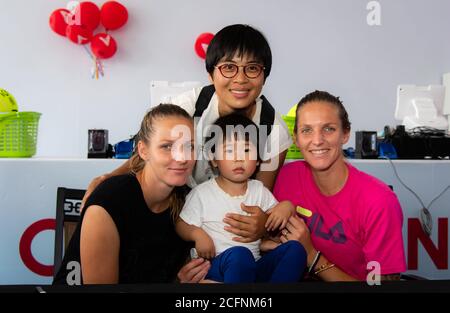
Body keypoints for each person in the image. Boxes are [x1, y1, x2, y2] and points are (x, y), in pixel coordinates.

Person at [81, 24, 292, 279]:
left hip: (227, 229)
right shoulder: (190, 104)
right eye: (228, 67)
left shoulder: (273, 130)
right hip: (180, 207)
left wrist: (261, 224)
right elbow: (152, 148)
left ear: (264, 75)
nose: (240, 79)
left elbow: (258, 196)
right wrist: (109, 179)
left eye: (252, 68)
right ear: (211, 73)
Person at [53, 104, 211, 284]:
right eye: (167, 146)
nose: (182, 158)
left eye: (189, 146)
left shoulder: (190, 201)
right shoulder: (111, 199)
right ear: (143, 150)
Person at [273, 90, 407, 281]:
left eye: (328, 129)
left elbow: (381, 288)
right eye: (306, 130)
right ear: (296, 138)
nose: (317, 140)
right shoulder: (286, 177)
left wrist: (312, 256)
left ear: (345, 134)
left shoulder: (379, 201)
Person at [176, 114, 306, 283]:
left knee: (296, 250)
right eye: (229, 150)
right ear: (214, 159)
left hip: (254, 266)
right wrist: (198, 234)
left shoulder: (259, 190)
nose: (239, 158)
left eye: (246, 150)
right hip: (216, 266)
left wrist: (286, 206)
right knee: (239, 254)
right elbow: (181, 223)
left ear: (258, 159)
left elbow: (275, 222)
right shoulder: (202, 193)